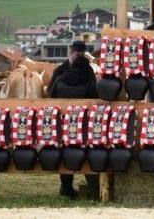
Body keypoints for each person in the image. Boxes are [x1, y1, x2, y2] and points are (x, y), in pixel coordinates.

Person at [50, 56, 99, 200]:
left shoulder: (60, 80)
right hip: (82, 126)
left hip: (63, 124)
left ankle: (66, 188)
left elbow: (51, 97)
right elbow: (95, 102)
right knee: (88, 154)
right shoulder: (88, 82)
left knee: (65, 154)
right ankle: (92, 186)